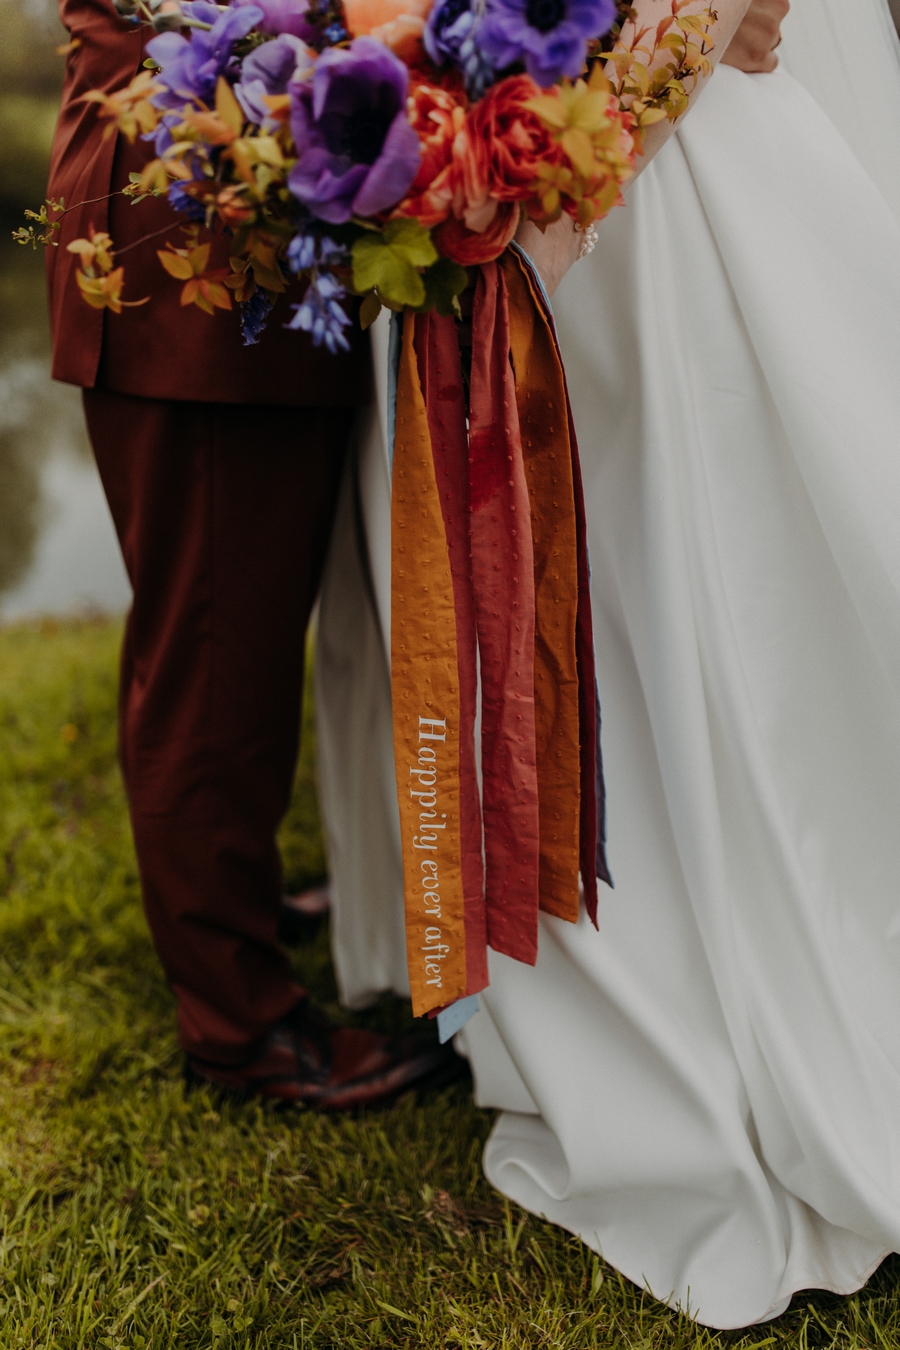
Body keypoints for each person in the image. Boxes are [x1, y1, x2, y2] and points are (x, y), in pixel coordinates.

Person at [315, 0, 900, 1326]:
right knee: (614, 565)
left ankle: (743, 948)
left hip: (653, 176)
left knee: (709, 545)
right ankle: (635, 932)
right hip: (564, 145)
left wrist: (629, 92)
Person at [46, 0, 461, 1108]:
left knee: (234, 635)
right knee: (216, 663)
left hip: (221, 243)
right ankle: (241, 1023)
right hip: (196, 263)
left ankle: (232, 900)